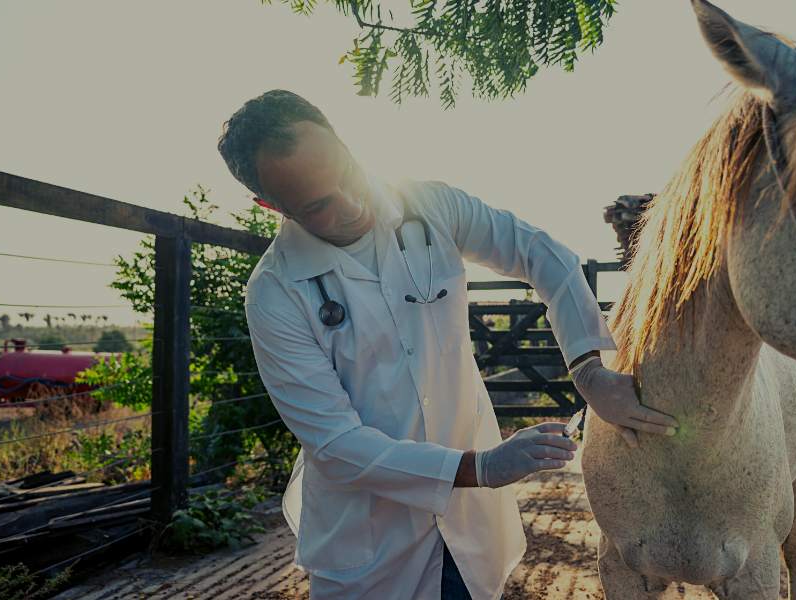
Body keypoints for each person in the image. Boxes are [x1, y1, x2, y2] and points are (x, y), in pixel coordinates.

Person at [217, 90, 679, 600]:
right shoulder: (275, 293)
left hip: (465, 531)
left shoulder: (428, 206)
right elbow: (336, 445)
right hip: (370, 549)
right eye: (319, 206)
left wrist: (589, 369)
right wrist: (479, 467)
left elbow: (541, 254)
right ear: (271, 206)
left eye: (345, 172)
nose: (352, 204)